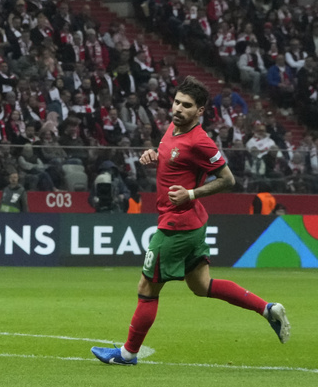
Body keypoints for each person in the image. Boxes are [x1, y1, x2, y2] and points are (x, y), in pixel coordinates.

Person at [91, 77, 290, 366]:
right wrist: (154, 155)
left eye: (187, 106)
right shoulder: (173, 128)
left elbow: (228, 179)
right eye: (177, 102)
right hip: (192, 225)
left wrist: (191, 193)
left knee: (147, 288)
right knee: (202, 285)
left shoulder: (200, 140)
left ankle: (127, 354)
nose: (178, 109)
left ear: (200, 111)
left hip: (176, 226)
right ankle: (268, 309)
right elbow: (174, 159)